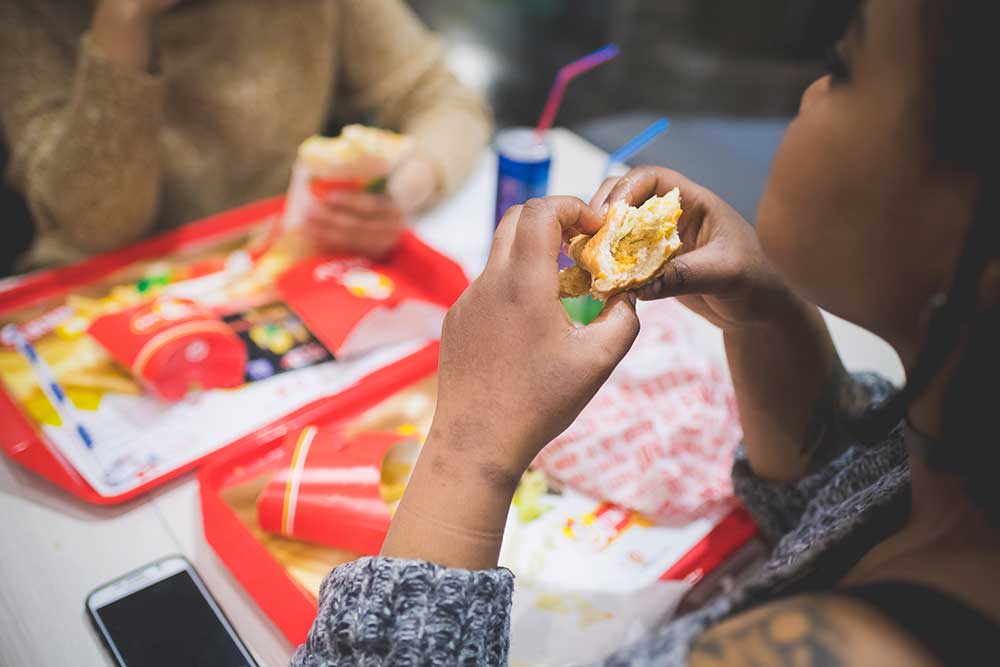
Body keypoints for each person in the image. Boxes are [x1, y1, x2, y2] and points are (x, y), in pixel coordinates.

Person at [289, 0, 1000, 665]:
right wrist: (766, 312)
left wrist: (467, 450)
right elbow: (834, 491)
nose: (811, 92)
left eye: (844, 67)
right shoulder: (948, 480)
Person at [0, 0, 491, 270]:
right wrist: (122, 21)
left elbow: (446, 101)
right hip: (87, 291)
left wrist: (401, 192)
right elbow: (96, 226)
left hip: (270, 265)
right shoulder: (27, 17)